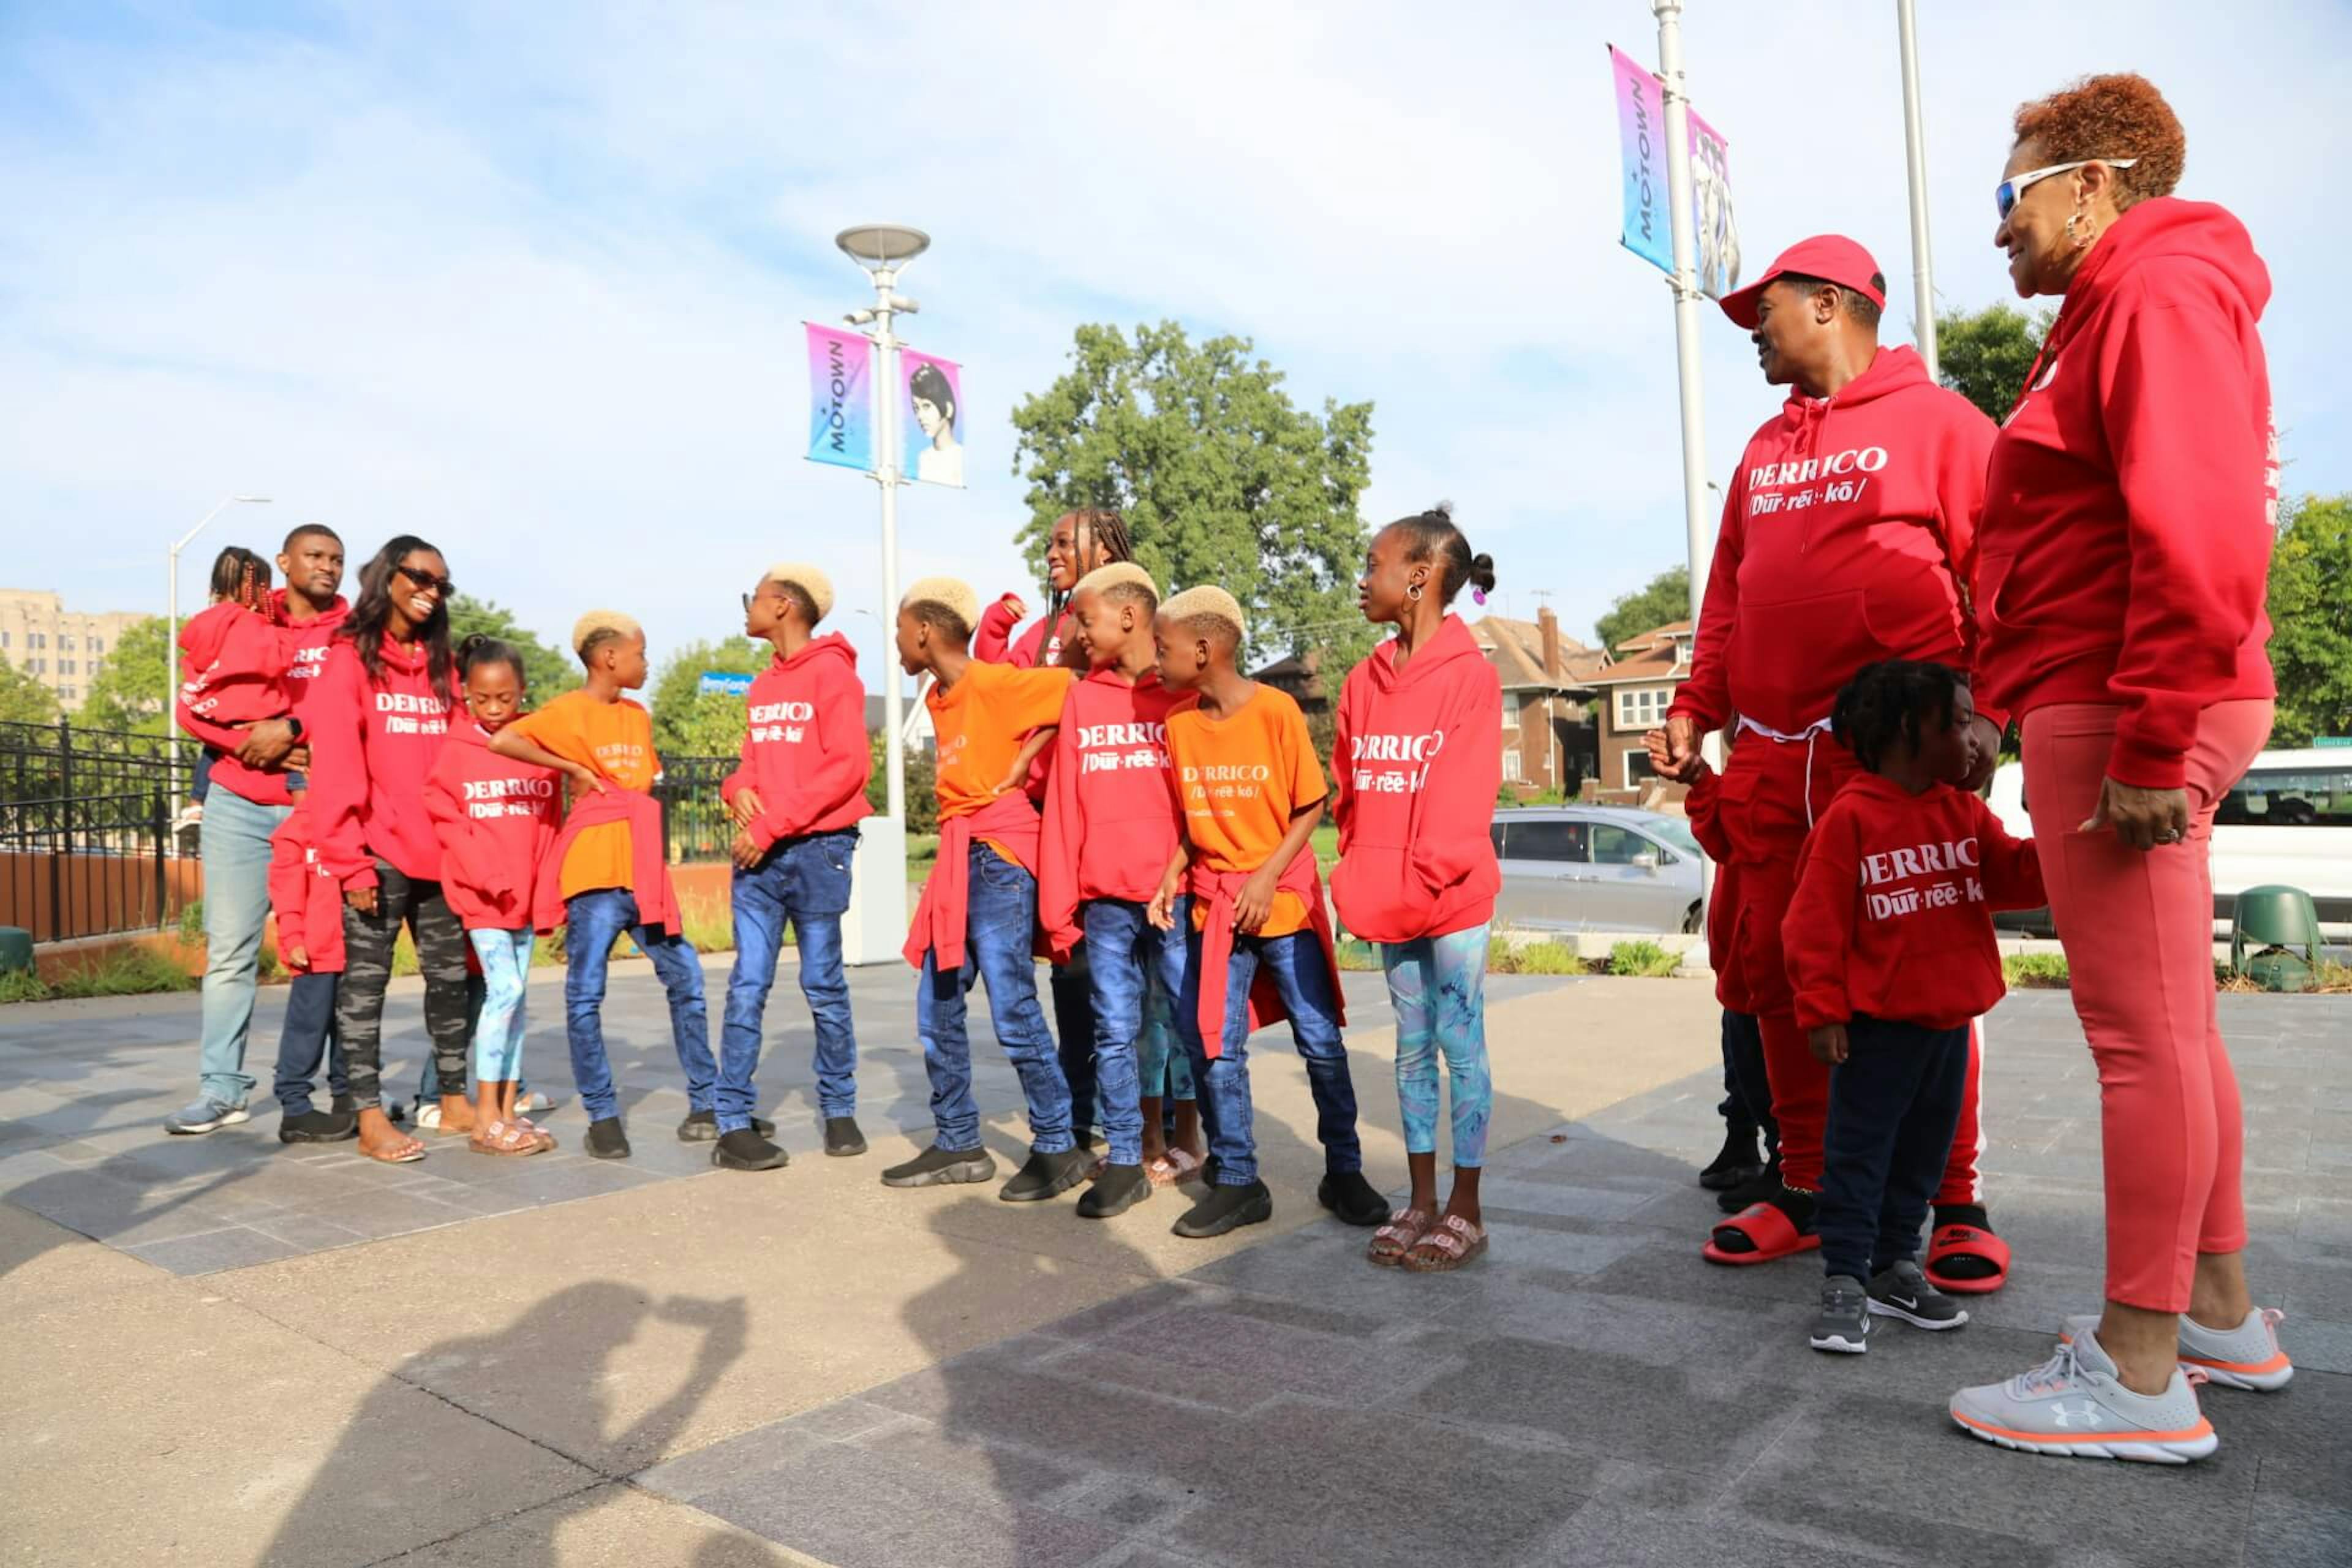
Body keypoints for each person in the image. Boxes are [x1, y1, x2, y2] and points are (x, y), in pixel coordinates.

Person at [1949, 73, 2290, 1462]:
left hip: (2126, 697)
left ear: (2090, 183)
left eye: (2008, 192)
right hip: (2116, 686)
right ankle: (2214, 1311)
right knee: (2176, 1028)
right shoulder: (2126, 301)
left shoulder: (2147, 289)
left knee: (2136, 1041)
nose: (1997, 232)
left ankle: (2138, 1371)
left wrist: (2147, 735)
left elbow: (2197, 523)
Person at [1649, 235, 2006, 1278]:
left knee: (1921, 972)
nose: (1754, 325)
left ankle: (1955, 1201)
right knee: (1773, 975)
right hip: (1767, 759)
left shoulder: (1943, 424)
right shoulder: (1763, 452)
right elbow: (1727, 602)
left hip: (1893, 761)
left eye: (1771, 304)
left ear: (1835, 304)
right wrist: (1692, 706)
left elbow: (2001, 576)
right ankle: (1803, 1185)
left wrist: (1984, 711)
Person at [1782, 661, 2045, 1355]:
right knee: (1860, 1154)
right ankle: (1843, 1277)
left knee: (1924, 1157)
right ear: (1907, 730)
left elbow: (2013, 873)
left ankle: (1894, 1266)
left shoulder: (1962, 809)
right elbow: (1813, 925)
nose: (1972, 740)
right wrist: (1822, 1010)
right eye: (1958, 723)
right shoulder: (1851, 818)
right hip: (1876, 1030)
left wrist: (2069, 846)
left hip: (1948, 1025)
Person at [1148, 585, 1385, 1240]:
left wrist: (1266, 875)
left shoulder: (1276, 710)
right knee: (1214, 1047)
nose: (1155, 659)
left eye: (1163, 648)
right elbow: (1193, 822)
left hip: (1280, 900)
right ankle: (1238, 1180)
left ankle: (1344, 1171)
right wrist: (1170, 878)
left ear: (1204, 648)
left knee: (1320, 1041)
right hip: (1215, 907)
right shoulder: (1178, 726)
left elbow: (1312, 803)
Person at [489, 612, 733, 1161]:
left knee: (686, 977)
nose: (646, 663)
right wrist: (569, 769)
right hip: (593, 873)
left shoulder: (638, 716)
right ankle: (602, 1114)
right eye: (641, 654)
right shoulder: (567, 711)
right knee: (585, 995)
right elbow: (503, 739)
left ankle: (707, 1100)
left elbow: (641, 784)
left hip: (642, 870)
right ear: (609, 658)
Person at [1333, 507, 1504, 1272]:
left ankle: (1466, 1205)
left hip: (1452, 899)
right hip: (1387, 894)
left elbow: (1465, 795)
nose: (1362, 578)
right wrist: (1359, 871)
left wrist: (1416, 876)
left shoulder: (1472, 676)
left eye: (1373, 564)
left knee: (1459, 1041)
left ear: (1418, 575)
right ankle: (1420, 1198)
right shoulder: (1361, 682)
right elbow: (1349, 788)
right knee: (1408, 1048)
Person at [884, 577, 1088, 1200]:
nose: (895, 640)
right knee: (937, 1005)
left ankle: (1058, 1145)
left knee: (1011, 1005)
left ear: (924, 630)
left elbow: (1078, 691)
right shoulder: (940, 694)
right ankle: (959, 1142)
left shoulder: (996, 682)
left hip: (1001, 854)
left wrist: (1033, 754)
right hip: (958, 856)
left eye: (899, 627)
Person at [165, 524, 347, 1134]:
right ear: (284, 562)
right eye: (314, 556)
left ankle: (347, 1089)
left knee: (335, 956)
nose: (326, 567)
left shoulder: (349, 632)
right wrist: (243, 744)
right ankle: (222, 1089)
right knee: (230, 952)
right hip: (238, 803)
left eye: (336, 559)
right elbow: (192, 703)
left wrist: (297, 732)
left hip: (319, 808)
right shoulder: (237, 619)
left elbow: (355, 708)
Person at [974, 508, 1145, 1157]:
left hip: (1118, 820)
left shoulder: (1129, 617)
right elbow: (998, 690)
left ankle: (1145, 1124)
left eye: (1061, 542)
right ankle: (1083, 1114)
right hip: (1049, 820)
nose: (1050, 553)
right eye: (1047, 544)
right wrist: (996, 630)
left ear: (1103, 549)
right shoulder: (1047, 629)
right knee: (1071, 972)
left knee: (1131, 988)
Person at [1036, 562, 1194, 1219]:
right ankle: (1126, 1159)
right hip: (1104, 902)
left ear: (1130, 617)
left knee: (1193, 1024)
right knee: (1114, 1030)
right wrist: (1058, 905)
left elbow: (1204, 800)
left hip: (1176, 896)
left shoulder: (1181, 693)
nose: (1076, 632)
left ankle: (1228, 1157)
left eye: (1085, 617)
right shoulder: (1082, 698)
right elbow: (1066, 805)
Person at [307, 536, 464, 1164]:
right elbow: (337, 766)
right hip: (377, 853)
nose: (431, 590)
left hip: (442, 855)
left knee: (450, 984)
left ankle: (455, 1101)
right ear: (387, 577)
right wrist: (348, 859)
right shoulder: (348, 660)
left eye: (442, 584)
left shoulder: (442, 665)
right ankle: (369, 1114)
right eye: (420, 576)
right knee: (364, 993)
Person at [717, 563, 873, 1170]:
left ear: (782, 604)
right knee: (748, 984)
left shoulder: (833, 675)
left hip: (816, 852)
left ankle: (840, 1108)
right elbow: (750, 763)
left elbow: (848, 768)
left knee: (824, 985)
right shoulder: (762, 685)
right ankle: (732, 1116)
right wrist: (737, 789)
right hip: (761, 855)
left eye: (752, 598)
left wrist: (772, 825)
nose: (746, 607)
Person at [424, 635, 563, 1158]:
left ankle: (507, 1111)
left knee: (518, 1001)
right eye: (482, 699)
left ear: (522, 692)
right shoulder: (456, 752)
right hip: (483, 900)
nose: (494, 709)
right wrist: (488, 877)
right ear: (466, 694)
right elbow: (447, 822)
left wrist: (546, 892)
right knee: (503, 991)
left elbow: (551, 827)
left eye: (504, 698)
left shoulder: (538, 750)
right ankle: (484, 1118)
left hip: (525, 901)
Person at [175, 546, 281, 831]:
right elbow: (272, 660)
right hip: (253, 704)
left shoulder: (206, 623)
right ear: (253, 587)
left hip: (213, 705)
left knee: (212, 750)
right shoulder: (253, 623)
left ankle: (197, 803)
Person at [265, 798, 352, 1142]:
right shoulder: (294, 832)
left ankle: (348, 1099)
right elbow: (285, 892)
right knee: (307, 1029)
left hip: (354, 950)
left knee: (351, 1030)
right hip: (314, 952)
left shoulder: (354, 821)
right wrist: (293, 937)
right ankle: (296, 1109)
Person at [910, 361, 963, 487]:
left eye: (927, 406)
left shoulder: (960, 456)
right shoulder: (923, 458)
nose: (920, 416)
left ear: (948, 409)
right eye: (916, 408)